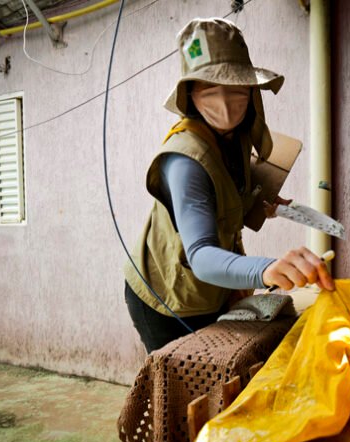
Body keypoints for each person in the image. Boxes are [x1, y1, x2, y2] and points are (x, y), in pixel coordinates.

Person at [124, 18, 334, 353]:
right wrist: (268, 269)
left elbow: (225, 191)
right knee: (187, 382)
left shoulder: (235, 137)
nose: (224, 101)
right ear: (191, 94)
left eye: (235, 87)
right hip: (165, 299)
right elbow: (202, 256)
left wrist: (257, 201)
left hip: (212, 290)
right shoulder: (184, 161)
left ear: (251, 91)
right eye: (209, 88)